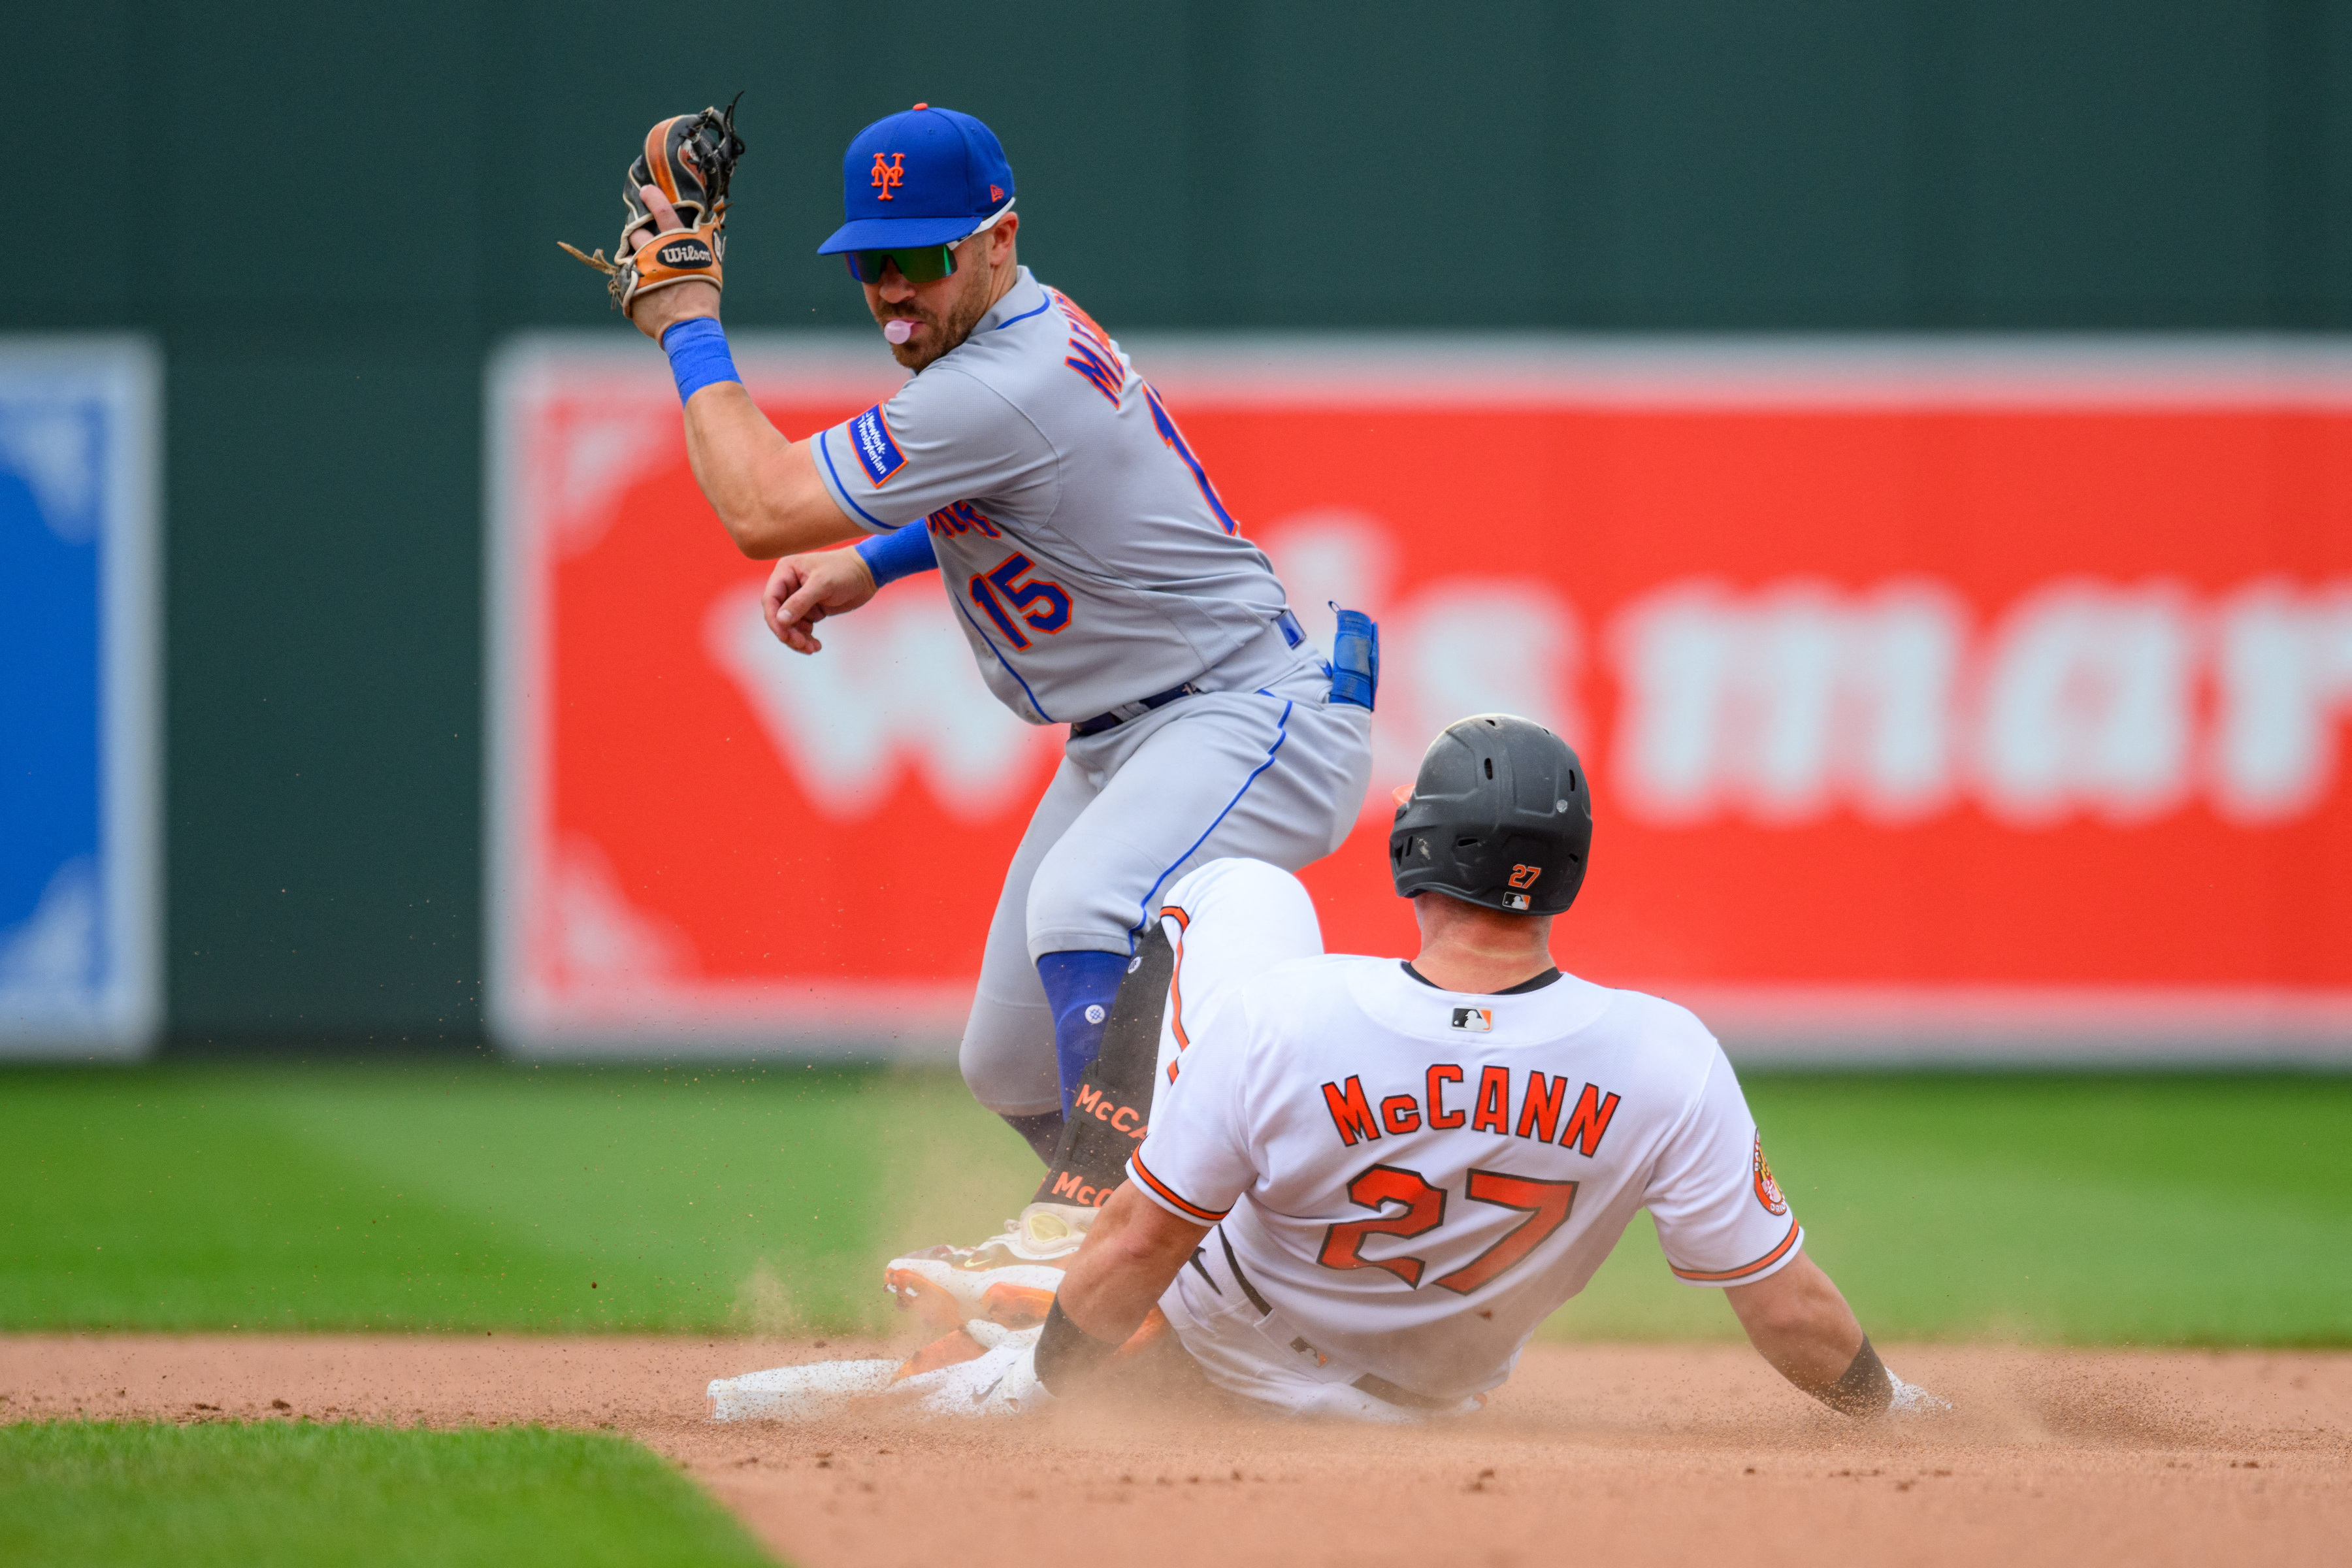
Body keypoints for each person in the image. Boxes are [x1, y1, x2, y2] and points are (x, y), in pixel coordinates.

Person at [606, 103, 1376, 1264]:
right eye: (872, 261)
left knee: (1086, 903)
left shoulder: (1000, 380)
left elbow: (759, 509)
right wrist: (877, 558)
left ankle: (1092, 1239)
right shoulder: (1009, 342)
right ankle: (1236, 1277)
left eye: (922, 257)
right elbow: (1024, 496)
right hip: (1140, 729)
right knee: (1005, 1064)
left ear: (999, 240)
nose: (892, 291)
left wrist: (687, 325)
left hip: (1249, 712)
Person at [754, 714, 1945, 1425]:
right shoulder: (1666, 1054)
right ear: (1569, 871)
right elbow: (1790, 1311)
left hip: (1211, 1339)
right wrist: (1896, 1414)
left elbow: (1144, 1251)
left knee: (1244, 889)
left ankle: (1054, 1225)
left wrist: (1041, 1387)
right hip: (1423, 1411)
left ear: (1414, 850)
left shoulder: (1292, 1013)